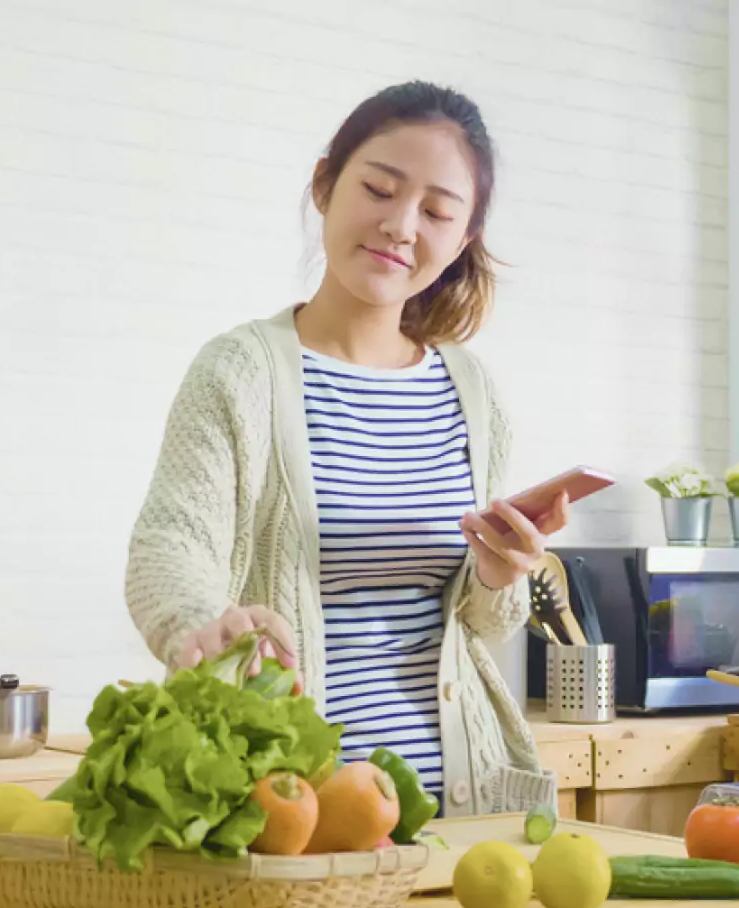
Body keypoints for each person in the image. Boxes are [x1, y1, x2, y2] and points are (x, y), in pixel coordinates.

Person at [124, 80, 567, 817]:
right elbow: (170, 544)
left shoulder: (472, 392)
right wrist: (202, 620)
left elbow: (485, 625)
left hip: (458, 808)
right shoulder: (240, 372)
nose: (400, 226)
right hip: (286, 811)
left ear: (462, 241)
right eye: (379, 189)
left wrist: (497, 575)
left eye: (436, 212)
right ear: (325, 184)